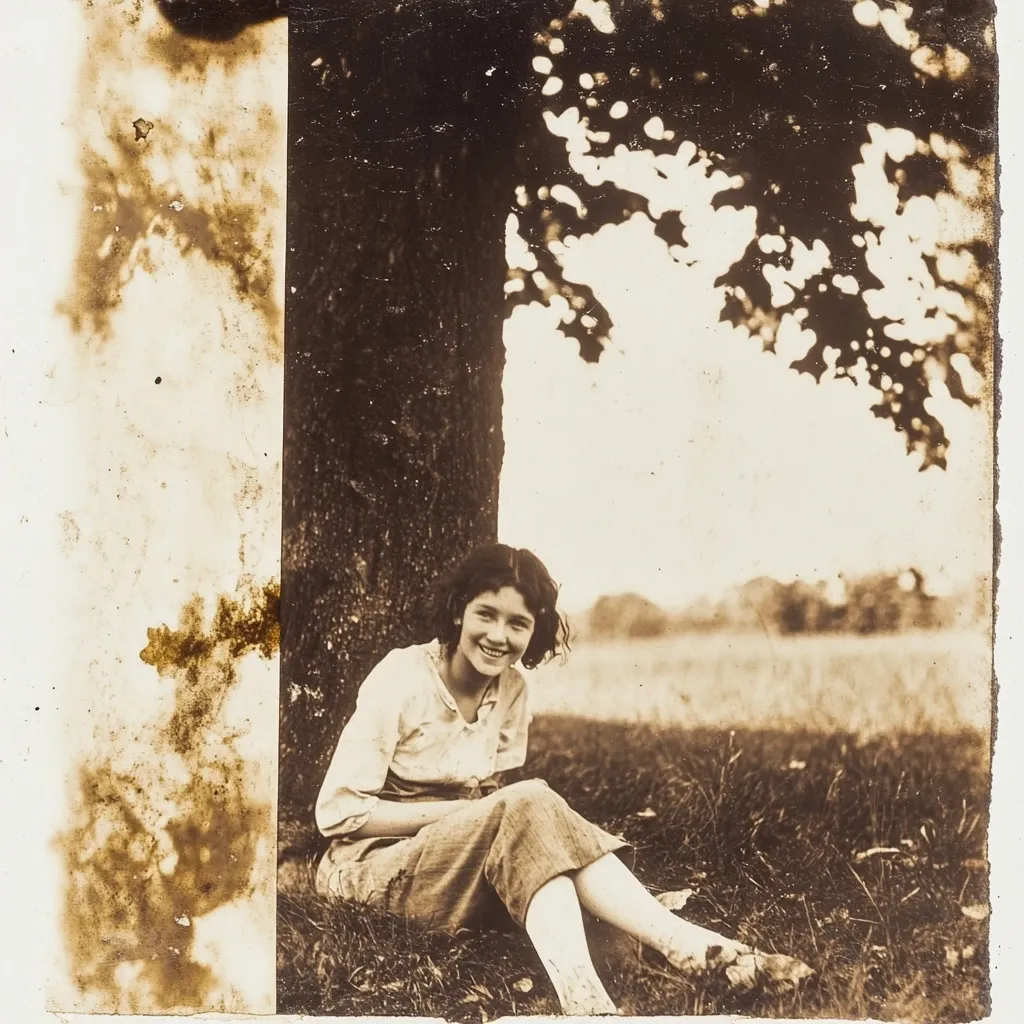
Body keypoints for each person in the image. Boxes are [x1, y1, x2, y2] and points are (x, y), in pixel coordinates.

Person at [315, 543, 813, 1014]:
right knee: (530, 803)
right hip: (371, 869)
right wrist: (468, 813)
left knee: (580, 889)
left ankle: (680, 955)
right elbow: (339, 814)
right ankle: (609, 989)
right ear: (457, 611)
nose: (498, 635)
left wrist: (489, 815)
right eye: (485, 614)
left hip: (457, 861)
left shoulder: (511, 690)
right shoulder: (403, 676)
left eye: (518, 623)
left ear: (535, 631)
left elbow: (504, 817)